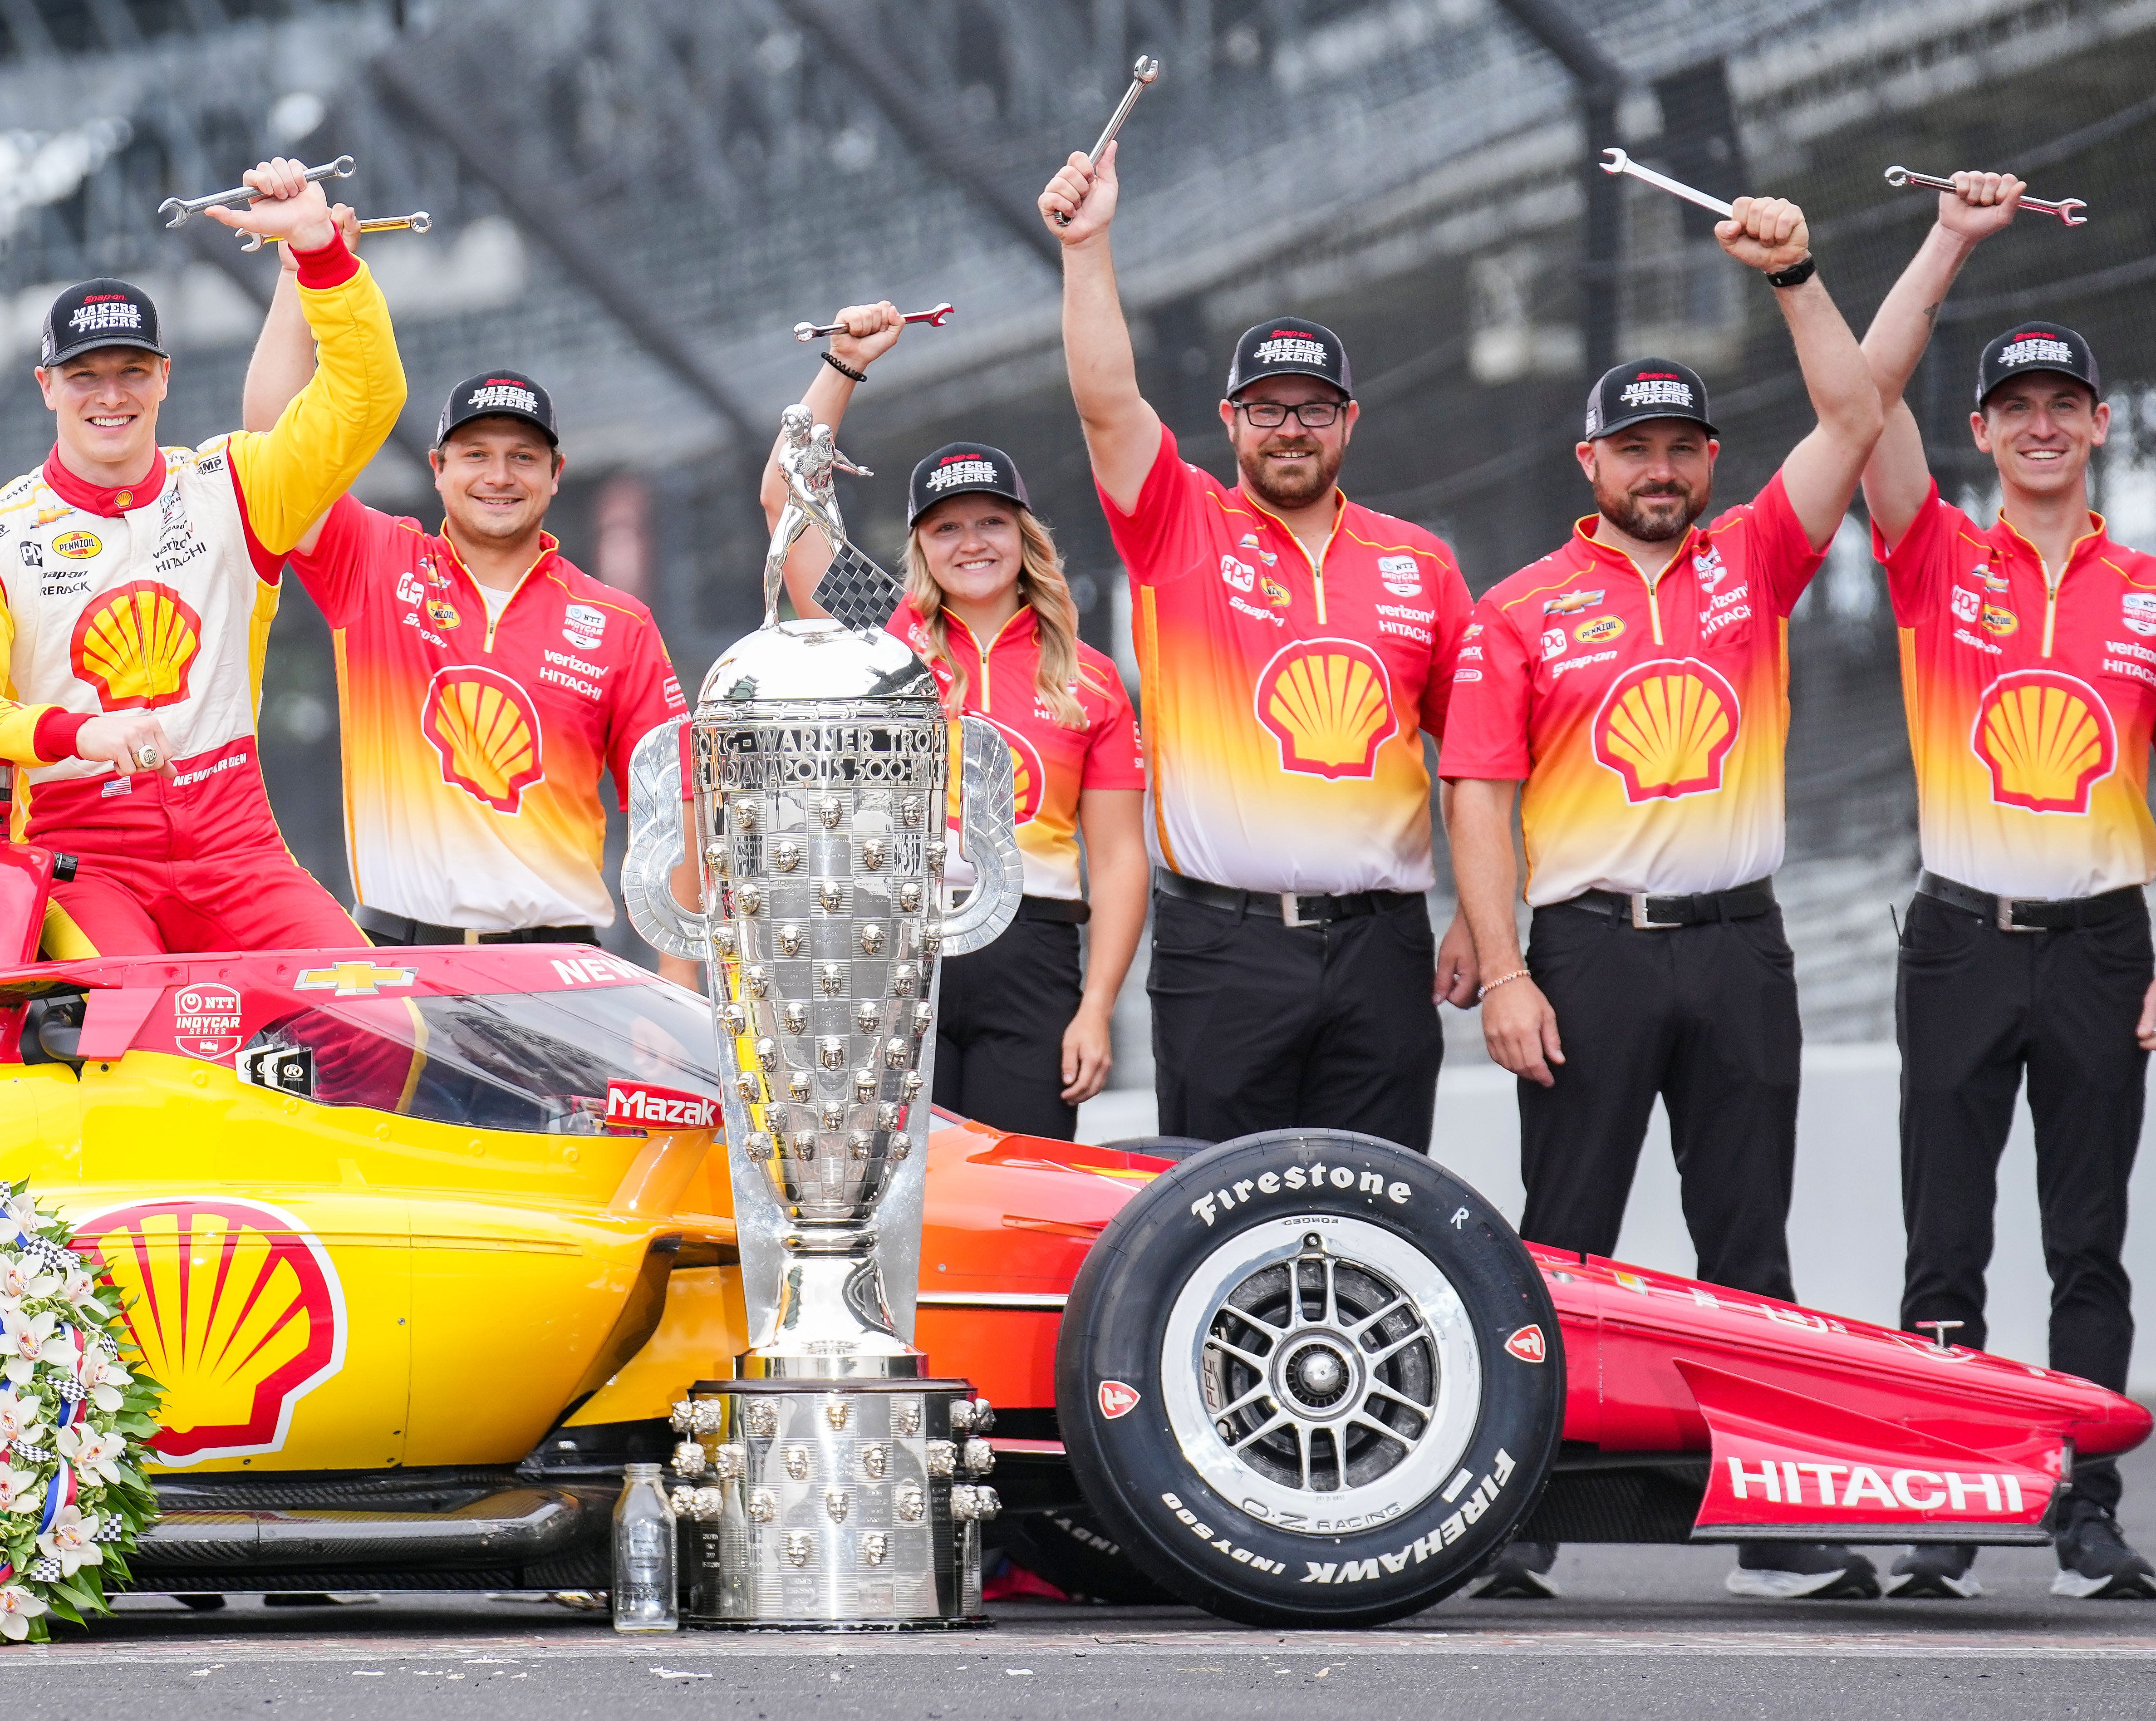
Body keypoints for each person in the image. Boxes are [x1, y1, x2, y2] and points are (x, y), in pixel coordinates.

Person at [1439, 194, 1892, 1601]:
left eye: (1678, 447)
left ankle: (1770, 1517)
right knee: (1561, 1233)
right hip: (1587, 951)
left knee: (1745, 1234)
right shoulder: (1514, 607)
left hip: (1739, 943)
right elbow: (1476, 796)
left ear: (1706, 460)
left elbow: (1856, 415)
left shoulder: (1756, 557)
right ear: (1590, 459)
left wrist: (1796, 276)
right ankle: (1516, 1519)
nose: (1656, 468)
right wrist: (1505, 971)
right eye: (1630, 447)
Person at [1040, 139, 1478, 1153]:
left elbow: (1479, 769)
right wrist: (1087, 247)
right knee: (1223, 1212)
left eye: (1313, 410)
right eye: (1268, 410)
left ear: (1348, 423)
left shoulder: (1422, 563)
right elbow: (1106, 402)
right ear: (1230, 422)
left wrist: (1483, 933)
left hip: (1385, 944)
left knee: (1378, 1204)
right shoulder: (1178, 524)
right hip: (1220, 945)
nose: (1291, 430)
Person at [1849, 169, 2156, 1601]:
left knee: (2087, 1245)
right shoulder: (1931, 559)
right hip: (1958, 939)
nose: (2040, 426)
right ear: (1977, 433)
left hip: (2104, 943)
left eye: (2063, 406)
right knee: (1943, 1244)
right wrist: (1948, 237)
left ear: (2097, 423)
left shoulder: (2147, 590)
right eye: (2013, 408)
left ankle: (2083, 1509)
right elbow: (1863, 391)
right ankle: (1946, 1500)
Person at [0, 156, 400, 956]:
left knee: (373, 1023)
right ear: (46, 386)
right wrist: (75, 734)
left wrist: (320, 255)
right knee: (128, 1026)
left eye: (132, 370)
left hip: (240, 852)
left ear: (164, 377)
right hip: (85, 862)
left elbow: (366, 398)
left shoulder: (238, 483)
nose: (110, 394)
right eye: (84, 376)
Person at [233, 217, 686, 955]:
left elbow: (670, 815)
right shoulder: (374, 562)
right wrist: (295, 273)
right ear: (438, 468)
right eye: (475, 454)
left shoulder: (618, 624)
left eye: (522, 457)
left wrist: (677, 984)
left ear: (554, 475)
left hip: (557, 974)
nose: (499, 477)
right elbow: (270, 446)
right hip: (398, 962)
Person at [758, 303, 1149, 1141]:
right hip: (888, 944)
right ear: (918, 545)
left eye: (989, 522)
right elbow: (784, 501)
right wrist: (844, 366)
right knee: (894, 1187)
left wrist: (1095, 1008)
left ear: (1024, 536)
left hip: (1034, 953)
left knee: (1016, 1187)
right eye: (945, 528)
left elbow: (1118, 858)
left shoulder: (1090, 676)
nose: (970, 542)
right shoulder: (878, 632)